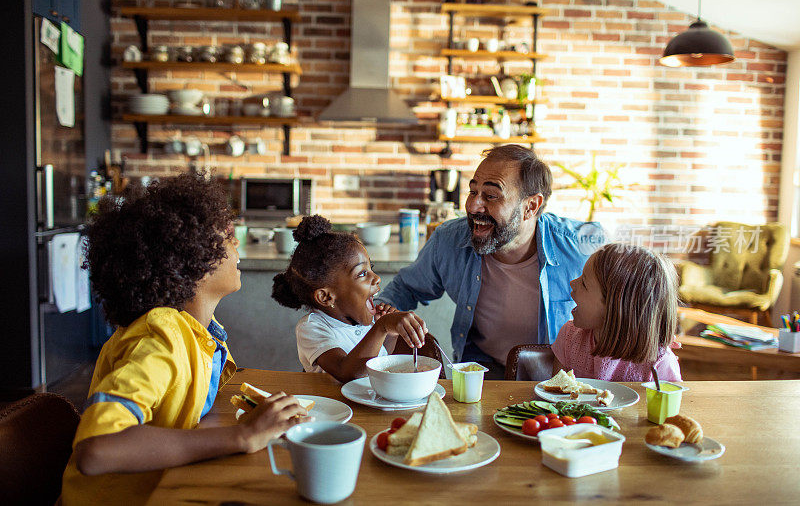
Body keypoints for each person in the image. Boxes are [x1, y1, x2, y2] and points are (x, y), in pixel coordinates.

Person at [61, 173, 310, 506]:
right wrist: (242, 435)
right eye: (228, 237)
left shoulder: (199, 332)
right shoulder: (160, 338)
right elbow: (97, 450)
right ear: (192, 259)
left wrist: (258, 417)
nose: (237, 246)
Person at [377, 145, 603, 378]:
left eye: (491, 196)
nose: (473, 206)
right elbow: (404, 289)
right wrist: (377, 318)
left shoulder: (582, 245)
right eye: (473, 192)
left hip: (558, 375)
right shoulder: (449, 239)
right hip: (483, 372)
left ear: (531, 206)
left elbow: (629, 296)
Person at [272, 215, 428, 383]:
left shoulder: (363, 320)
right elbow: (346, 372)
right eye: (362, 273)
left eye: (371, 268)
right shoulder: (313, 327)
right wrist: (381, 327)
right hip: (333, 407)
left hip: (366, 404)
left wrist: (390, 332)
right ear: (325, 297)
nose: (376, 278)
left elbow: (377, 362)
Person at [552, 243, 682, 382]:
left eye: (584, 283)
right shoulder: (569, 337)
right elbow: (555, 396)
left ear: (615, 305)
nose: (572, 283)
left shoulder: (659, 363)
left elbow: (670, 402)